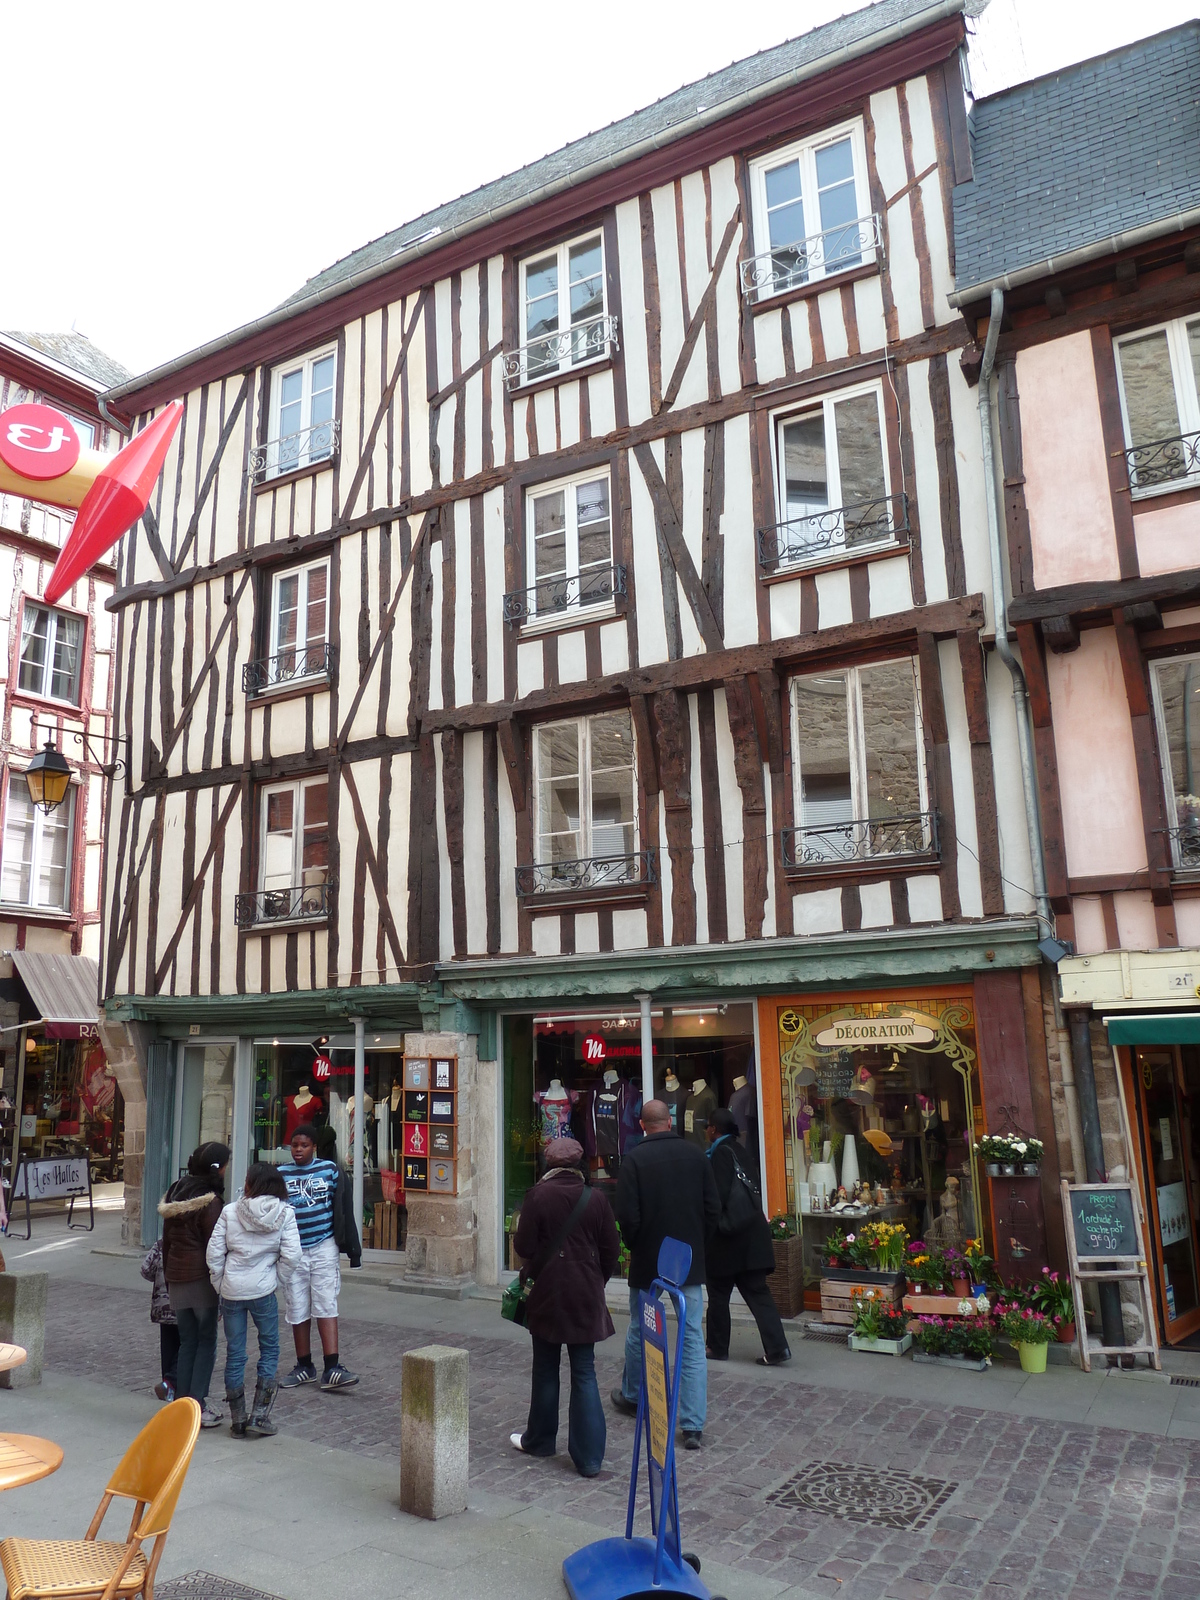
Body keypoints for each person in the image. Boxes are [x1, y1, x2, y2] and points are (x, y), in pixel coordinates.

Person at [612, 1099, 720, 1450]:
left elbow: (627, 1216)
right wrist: (697, 1244)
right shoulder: (695, 1155)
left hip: (649, 1261)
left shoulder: (635, 1160)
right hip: (687, 1260)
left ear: (643, 1125)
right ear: (669, 1121)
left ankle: (632, 1394)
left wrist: (637, 1245)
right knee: (690, 1337)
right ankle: (692, 1424)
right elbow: (712, 1209)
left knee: (639, 1328)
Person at [509, 1136, 620, 1478]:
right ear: (578, 1164)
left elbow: (525, 1246)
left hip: (547, 1291)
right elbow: (611, 1250)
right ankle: (589, 1458)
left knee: (545, 1366)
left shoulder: (538, 1196)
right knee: (584, 1370)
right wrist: (594, 1280)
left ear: (549, 1164)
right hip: (585, 1290)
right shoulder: (596, 1198)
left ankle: (541, 1440)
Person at [207, 1161, 303, 1438]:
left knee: (235, 1352)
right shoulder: (285, 1213)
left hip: (233, 1289)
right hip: (263, 1290)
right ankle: (260, 1416)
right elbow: (293, 1255)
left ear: (250, 1183)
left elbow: (214, 1255)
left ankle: (238, 1419)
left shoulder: (229, 1211)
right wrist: (277, 1280)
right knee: (270, 1348)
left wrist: (220, 1285)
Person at [704, 1109, 792, 1367]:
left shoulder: (720, 1154)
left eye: (708, 1126)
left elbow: (717, 1198)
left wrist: (707, 1229)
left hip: (730, 1240)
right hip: (752, 1236)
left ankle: (717, 1347)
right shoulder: (740, 1150)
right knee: (758, 1294)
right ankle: (778, 1348)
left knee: (718, 1293)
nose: (707, 1131)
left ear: (714, 1129)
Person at [277, 1123, 361, 1390]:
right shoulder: (280, 1174)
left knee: (325, 1303)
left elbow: (343, 1208)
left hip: (323, 1245)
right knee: (297, 1306)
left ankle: (332, 1366)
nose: (298, 1150)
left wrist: (350, 1247)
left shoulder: (330, 1171)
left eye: (304, 1146)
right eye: (294, 1145)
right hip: (293, 1249)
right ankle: (304, 1365)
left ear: (314, 1147)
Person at [158, 1141, 230, 1429]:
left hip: (176, 1275)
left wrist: (167, 1274)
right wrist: (222, 1285)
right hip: (202, 1279)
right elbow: (215, 1246)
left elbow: (166, 1241)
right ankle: (198, 1404)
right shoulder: (210, 1201)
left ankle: (182, 1404)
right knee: (206, 1340)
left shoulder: (175, 1191)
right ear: (217, 1167)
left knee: (187, 1342)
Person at [139, 1236, 178, 1402]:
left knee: (168, 1347)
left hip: (163, 1304)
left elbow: (146, 1269)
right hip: (185, 1305)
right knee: (187, 1345)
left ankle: (168, 1387)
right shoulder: (195, 1240)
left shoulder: (163, 1242)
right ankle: (171, 1382)